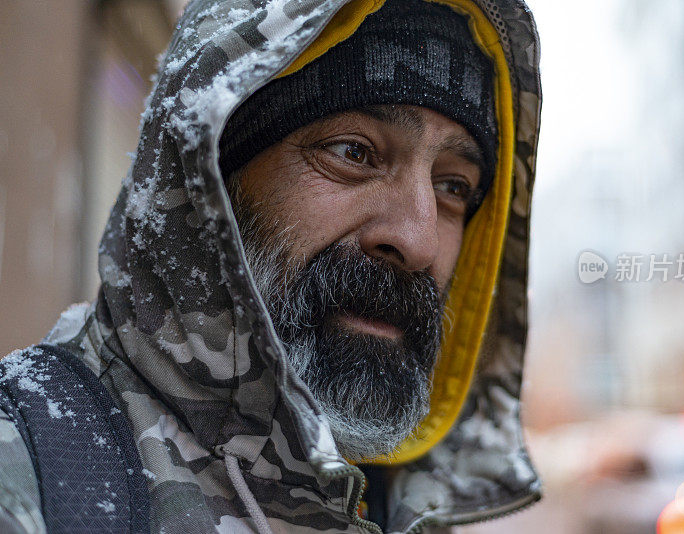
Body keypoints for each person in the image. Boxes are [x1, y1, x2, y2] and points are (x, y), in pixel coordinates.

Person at [0, 0, 542, 532]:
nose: (419, 241)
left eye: (453, 187)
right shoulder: (27, 479)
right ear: (207, 182)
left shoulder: (404, 504)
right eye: (353, 152)